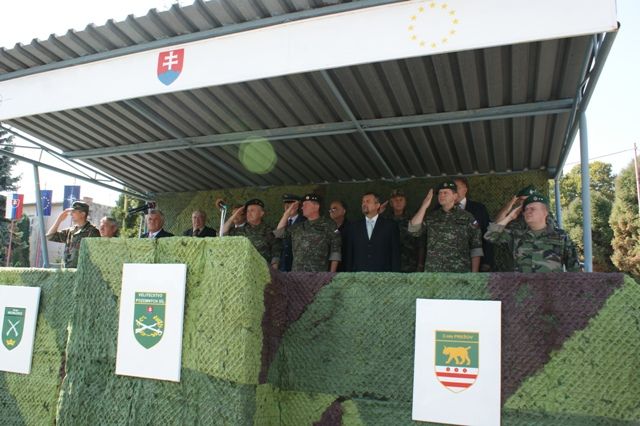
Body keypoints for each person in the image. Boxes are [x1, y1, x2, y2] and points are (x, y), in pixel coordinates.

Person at [484, 194, 581, 272]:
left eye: (533, 209)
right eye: (526, 209)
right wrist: (510, 217)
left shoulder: (561, 236)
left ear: (545, 212)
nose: (528, 211)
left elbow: (574, 269)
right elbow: (489, 236)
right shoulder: (517, 234)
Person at [409, 181, 483, 272]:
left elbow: (476, 247)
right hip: (434, 272)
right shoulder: (431, 217)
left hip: (459, 272)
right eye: (440, 193)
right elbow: (413, 231)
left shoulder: (467, 217)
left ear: (455, 196)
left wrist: (474, 274)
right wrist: (424, 206)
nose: (441, 195)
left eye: (445, 193)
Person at [274, 193, 341, 272]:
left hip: (318, 275)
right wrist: (287, 214)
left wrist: (331, 274)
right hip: (297, 275)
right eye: (302, 205)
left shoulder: (329, 225)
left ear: (316, 207)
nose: (302, 207)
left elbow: (335, 251)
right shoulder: (298, 226)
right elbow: (278, 233)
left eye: (306, 205)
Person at [345, 192, 400, 272]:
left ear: (377, 205)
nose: (364, 204)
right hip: (359, 274)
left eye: (368, 201)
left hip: (383, 275)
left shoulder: (390, 226)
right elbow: (349, 254)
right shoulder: (353, 227)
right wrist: (348, 275)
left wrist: (395, 275)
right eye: (363, 202)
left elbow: (395, 253)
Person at [223, 199, 280, 268]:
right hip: (244, 269)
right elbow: (222, 234)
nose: (249, 214)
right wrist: (235, 214)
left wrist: (273, 270)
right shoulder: (240, 230)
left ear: (261, 213)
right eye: (247, 211)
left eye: (252, 211)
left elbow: (276, 251)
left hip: (262, 269)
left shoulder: (269, 230)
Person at [454, 177, 493, 271]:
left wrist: (487, 261)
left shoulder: (478, 208)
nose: (454, 191)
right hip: (449, 263)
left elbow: (487, 233)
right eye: (452, 189)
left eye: (457, 188)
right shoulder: (440, 209)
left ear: (465, 189)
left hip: (474, 261)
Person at [46, 201, 100, 268]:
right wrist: (59, 220)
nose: (71, 214)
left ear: (83, 214)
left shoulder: (92, 232)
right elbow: (50, 236)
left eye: (74, 212)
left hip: (82, 271)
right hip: (67, 271)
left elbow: (95, 255)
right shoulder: (71, 231)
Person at [382, 189, 424, 272]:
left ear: (405, 202)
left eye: (401, 200)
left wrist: (420, 264)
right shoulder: (384, 220)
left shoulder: (414, 219)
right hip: (390, 265)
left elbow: (421, 244)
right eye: (395, 200)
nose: (398, 202)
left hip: (410, 266)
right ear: (391, 203)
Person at [279, 194, 306, 271]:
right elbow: (278, 235)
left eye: (290, 205)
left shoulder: (304, 222)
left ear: (297, 206)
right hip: (283, 264)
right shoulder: (281, 222)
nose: (287, 207)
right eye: (285, 205)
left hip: (297, 265)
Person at [329, 199, 348, 272]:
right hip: (328, 268)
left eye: (334, 209)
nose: (331, 211)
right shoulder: (326, 227)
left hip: (345, 268)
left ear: (344, 211)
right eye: (330, 209)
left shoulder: (351, 228)